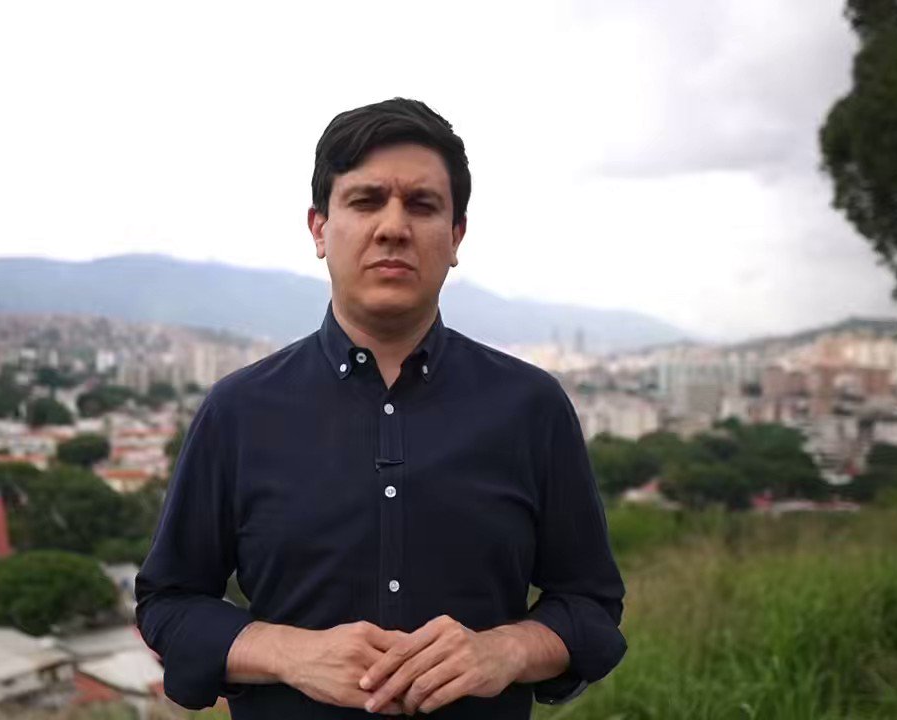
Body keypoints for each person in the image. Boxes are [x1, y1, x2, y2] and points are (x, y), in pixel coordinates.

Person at [136, 97, 626, 718]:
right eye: (366, 201)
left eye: (422, 205)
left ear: (456, 236)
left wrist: (505, 650)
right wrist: (288, 652)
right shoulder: (238, 411)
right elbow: (168, 603)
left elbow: (590, 603)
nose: (393, 227)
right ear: (319, 228)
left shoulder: (531, 408)